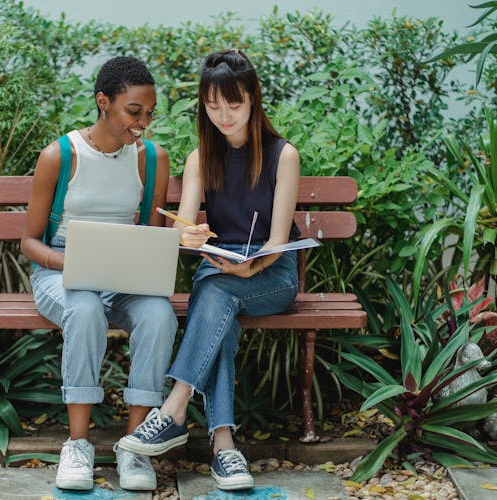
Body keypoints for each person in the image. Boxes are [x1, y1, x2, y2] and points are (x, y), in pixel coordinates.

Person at [117, 49, 301, 491]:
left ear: (253, 99)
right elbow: (183, 232)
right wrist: (192, 236)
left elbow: (278, 241)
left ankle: (174, 408)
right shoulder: (201, 158)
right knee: (220, 311)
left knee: (215, 295)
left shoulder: (283, 155)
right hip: (221, 267)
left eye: (233, 105)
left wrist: (251, 266)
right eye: (213, 106)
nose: (223, 115)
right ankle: (224, 447)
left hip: (272, 272)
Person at [20, 56, 177, 492]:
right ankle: (78, 444)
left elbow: (153, 236)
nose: (143, 123)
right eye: (134, 111)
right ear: (103, 102)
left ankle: (133, 447)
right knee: (85, 310)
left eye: (149, 113)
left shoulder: (151, 158)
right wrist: (74, 263)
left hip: (124, 273)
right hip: (61, 270)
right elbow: (29, 241)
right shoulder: (60, 155)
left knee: (159, 316)